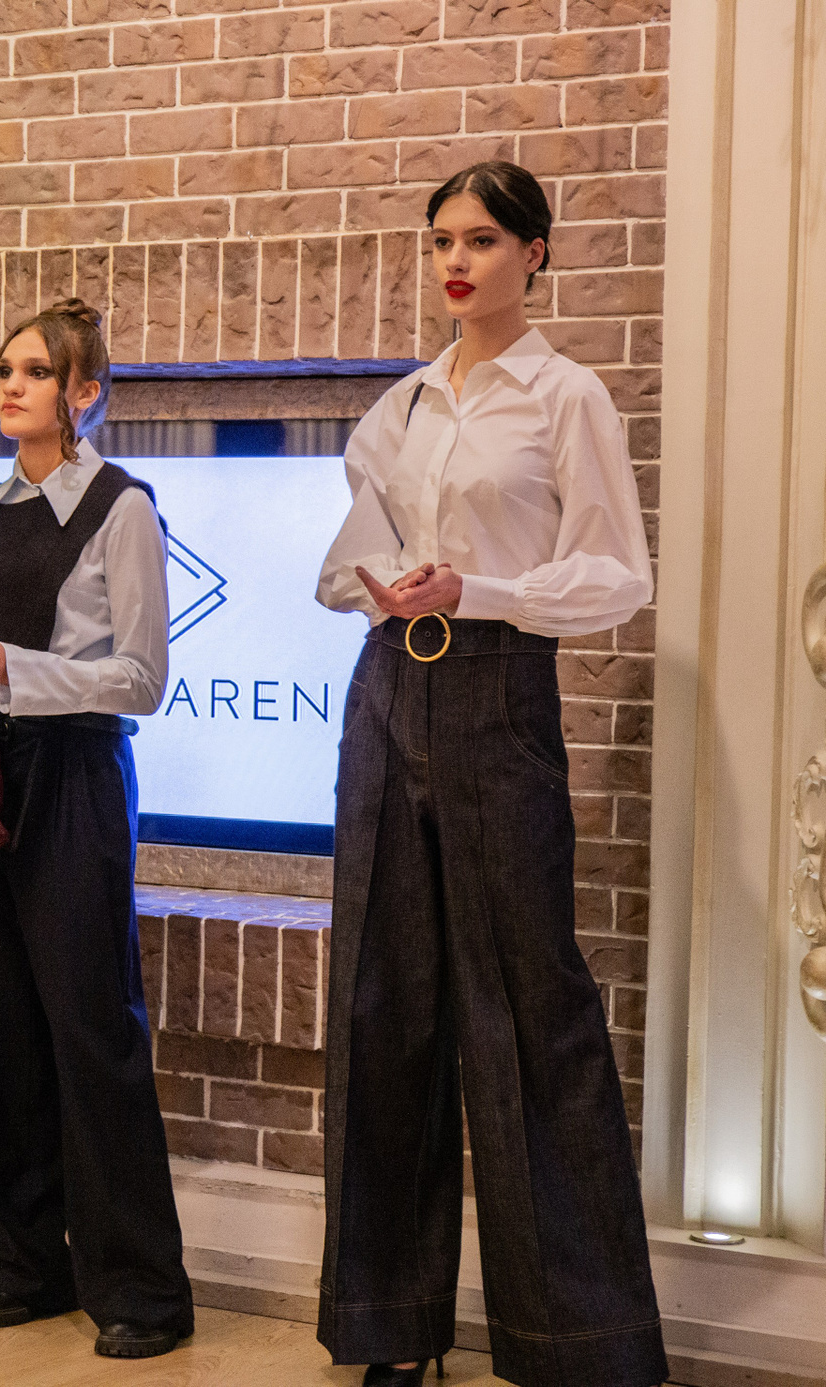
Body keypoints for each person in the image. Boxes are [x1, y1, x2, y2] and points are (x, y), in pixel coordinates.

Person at [313, 161, 667, 1387]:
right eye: (441, 241)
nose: (456, 262)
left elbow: (616, 575)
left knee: (527, 1002)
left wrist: (482, 589)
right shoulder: (402, 405)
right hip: (385, 687)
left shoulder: (566, 396)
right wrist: (380, 582)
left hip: (499, 688)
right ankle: (389, 1323)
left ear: (535, 254)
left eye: (481, 240)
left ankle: (577, 1340)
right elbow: (346, 558)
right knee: (381, 1001)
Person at [0, 299, 194, 1359]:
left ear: (84, 390)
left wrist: (14, 668)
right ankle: (19, 1265)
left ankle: (141, 1289)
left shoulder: (124, 506)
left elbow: (144, 678)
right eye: (2, 371)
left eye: (33, 371)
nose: (9, 386)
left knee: (90, 1027)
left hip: (72, 779)